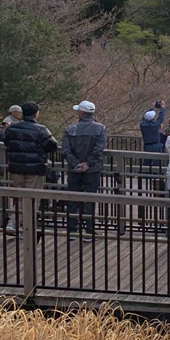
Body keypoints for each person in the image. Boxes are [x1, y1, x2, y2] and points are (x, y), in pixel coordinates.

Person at [2, 101, 57, 235]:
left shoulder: (12, 128)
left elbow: (6, 141)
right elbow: (52, 145)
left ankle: (19, 225)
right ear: (36, 114)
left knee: (21, 197)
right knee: (32, 198)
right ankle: (20, 226)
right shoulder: (41, 129)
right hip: (35, 168)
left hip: (16, 166)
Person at [61, 100, 108, 240]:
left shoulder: (70, 129)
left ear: (81, 112)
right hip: (93, 169)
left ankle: (72, 230)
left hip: (74, 169)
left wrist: (76, 164)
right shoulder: (100, 128)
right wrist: (88, 163)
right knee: (90, 199)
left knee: (73, 198)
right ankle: (89, 230)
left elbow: (65, 150)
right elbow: (98, 150)